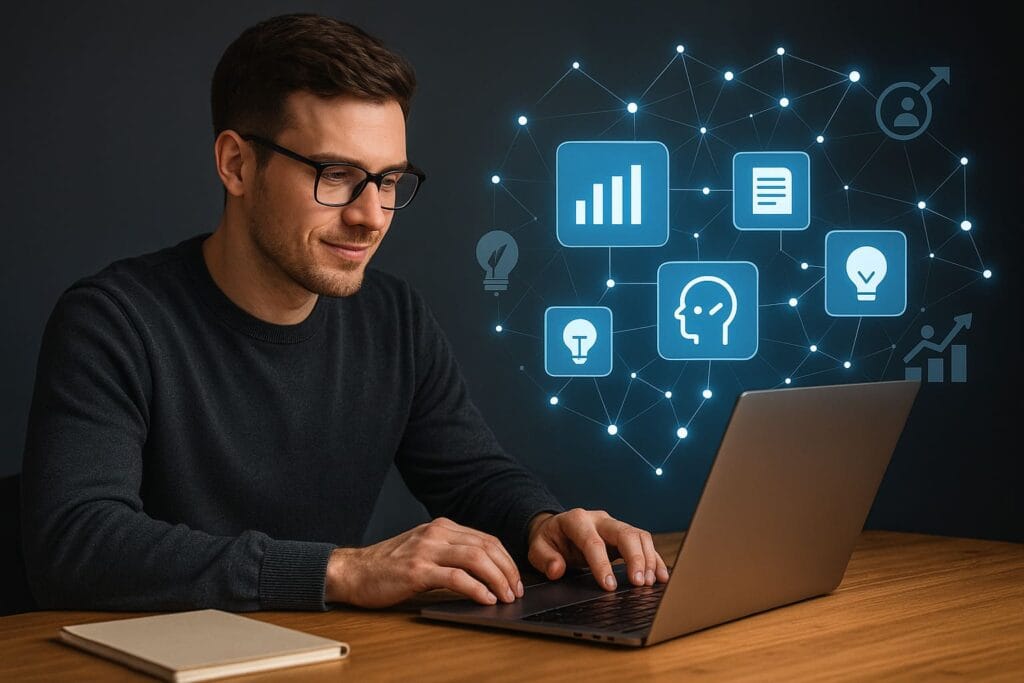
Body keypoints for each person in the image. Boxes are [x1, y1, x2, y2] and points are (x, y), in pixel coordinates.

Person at [19, 13, 668, 612]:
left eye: (388, 180)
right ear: (236, 164)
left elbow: (470, 475)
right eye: (336, 174)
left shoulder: (393, 319)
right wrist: (340, 570)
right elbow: (76, 542)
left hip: (323, 654)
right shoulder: (114, 321)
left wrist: (541, 523)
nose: (370, 215)